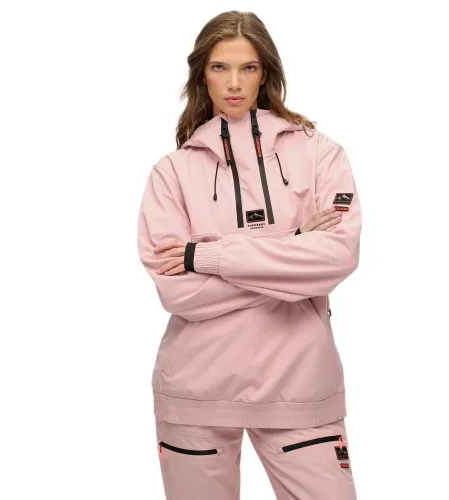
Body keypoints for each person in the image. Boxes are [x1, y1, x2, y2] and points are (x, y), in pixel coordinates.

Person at [137, 10, 362, 500]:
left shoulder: (320, 154)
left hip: (301, 387)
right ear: (202, 75)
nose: (234, 83)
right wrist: (292, 248)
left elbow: (337, 257)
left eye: (248, 67)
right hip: (194, 391)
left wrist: (207, 257)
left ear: (267, 73)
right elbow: (177, 291)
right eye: (220, 67)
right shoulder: (171, 172)